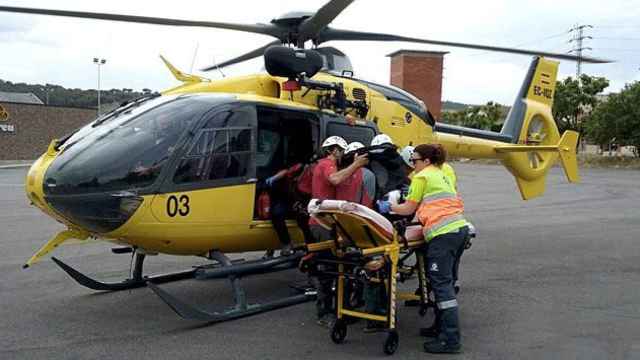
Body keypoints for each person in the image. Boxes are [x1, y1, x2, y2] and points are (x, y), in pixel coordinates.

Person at [377, 143, 469, 354]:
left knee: (442, 286)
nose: (412, 164)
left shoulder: (422, 176)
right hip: (458, 230)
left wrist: (388, 207)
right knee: (443, 283)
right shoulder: (442, 173)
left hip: (443, 236)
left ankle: (451, 340)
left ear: (426, 161)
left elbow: (409, 208)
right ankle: (440, 328)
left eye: (415, 160)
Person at [309, 135, 369, 327]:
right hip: (321, 224)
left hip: (330, 224)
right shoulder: (327, 164)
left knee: (338, 268)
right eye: (341, 151)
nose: (343, 155)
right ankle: (324, 313)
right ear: (334, 150)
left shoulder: (329, 166)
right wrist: (356, 165)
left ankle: (339, 311)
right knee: (326, 270)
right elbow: (335, 180)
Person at [263, 162, 305, 257]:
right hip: (281, 200)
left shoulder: (296, 168)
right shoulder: (271, 172)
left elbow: (288, 170)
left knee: (302, 215)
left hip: (294, 199)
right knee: (276, 214)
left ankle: (306, 243)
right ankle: (284, 244)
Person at [335, 142, 376, 208]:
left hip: (336, 211)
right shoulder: (368, 174)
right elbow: (368, 201)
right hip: (355, 213)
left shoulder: (339, 172)